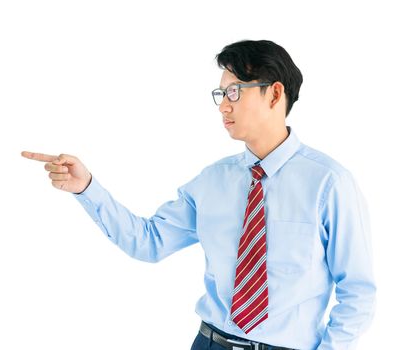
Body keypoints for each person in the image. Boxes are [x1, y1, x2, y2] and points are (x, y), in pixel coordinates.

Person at [21, 39, 376, 350]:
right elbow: (149, 242)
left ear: (275, 93)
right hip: (210, 343)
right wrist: (86, 188)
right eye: (220, 94)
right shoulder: (212, 181)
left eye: (234, 91)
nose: (224, 106)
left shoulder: (329, 183)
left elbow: (358, 291)